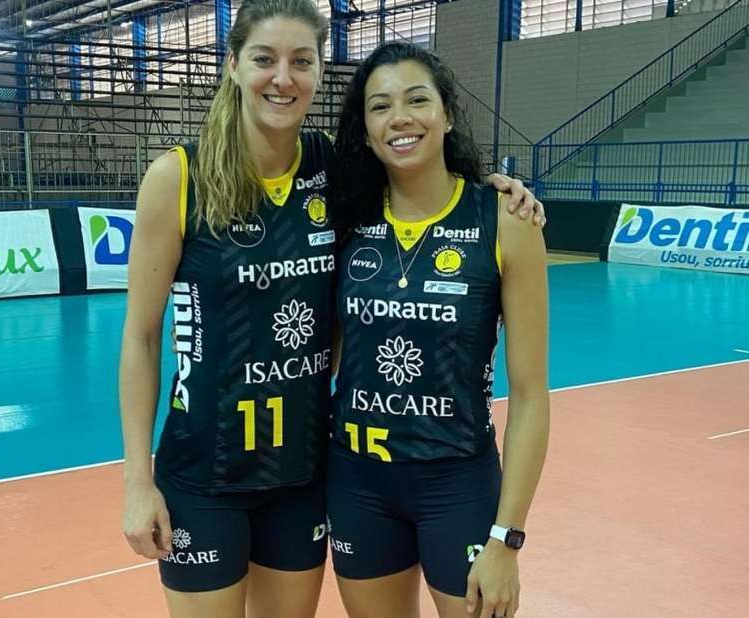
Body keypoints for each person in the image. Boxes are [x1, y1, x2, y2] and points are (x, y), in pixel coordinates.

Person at [119, 1, 543, 616]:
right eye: (265, 59)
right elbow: (140, 340)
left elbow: (419, 168)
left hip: (302, 471)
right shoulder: (177, 179)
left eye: (302, 61)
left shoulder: (331, 169)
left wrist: (501, 188)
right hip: (205, 472)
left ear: (320, 72)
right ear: (233, 65)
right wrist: (137, 479)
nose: (282, 78)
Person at [328, 41, 550, 618]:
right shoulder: (347, 218)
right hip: (357, 483)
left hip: (458, 485)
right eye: (379, 107)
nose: (399, 117)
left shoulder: (505, 220)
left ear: (447, 114)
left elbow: (529, 395)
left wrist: (507, 538)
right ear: (367, 130)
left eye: (416, 100)